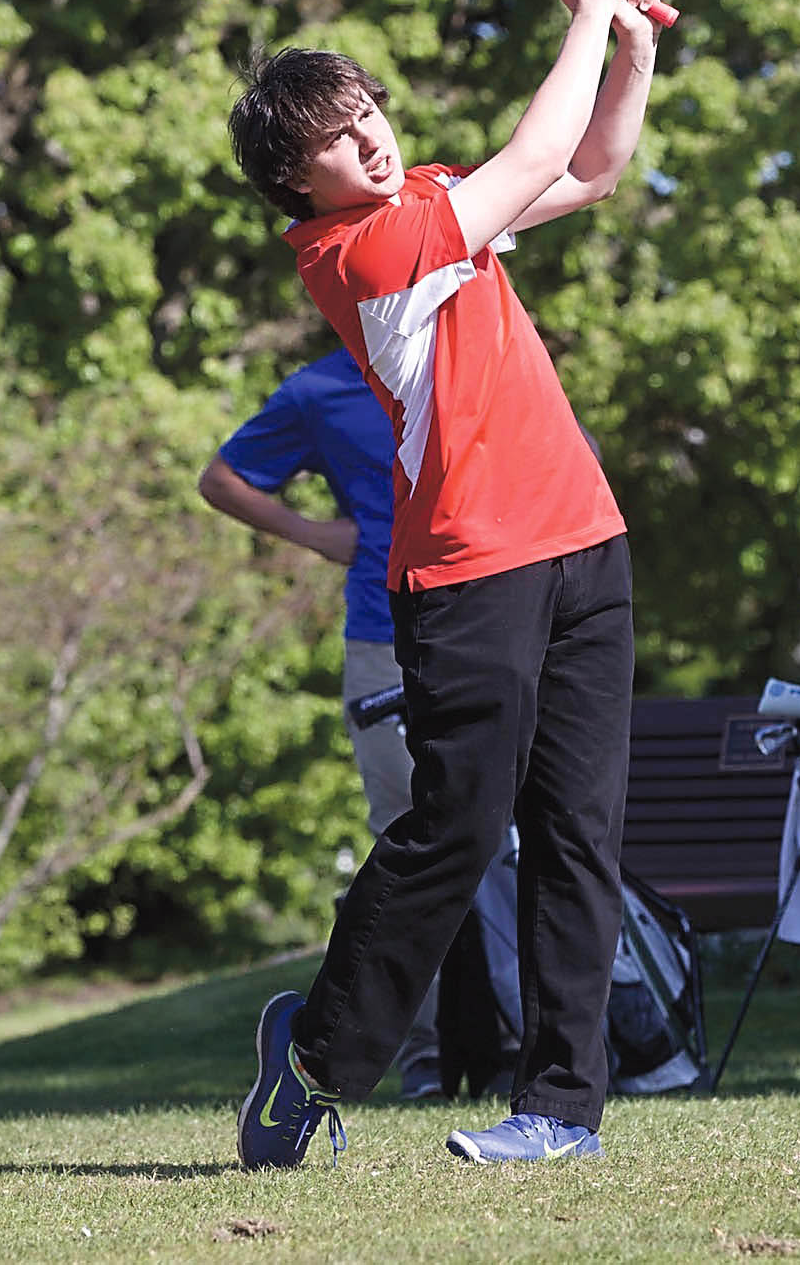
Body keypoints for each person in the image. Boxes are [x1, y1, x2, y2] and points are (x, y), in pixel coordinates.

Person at [223, 0, 661, 1168]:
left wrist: (629, 50)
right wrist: (580, 11)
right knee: (456, 829)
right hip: (468, 571)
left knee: (581, 833)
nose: (367, 138)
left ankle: (558, 1111)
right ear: (294, 183)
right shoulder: (354, 254)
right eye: (335, 136)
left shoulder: (427, 200)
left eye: (367, 111)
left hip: (585, 542)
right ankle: (313, 1057)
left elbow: (588, 168)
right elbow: (531, 153)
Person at [199, 346, 520, 1102]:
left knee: (503, 839)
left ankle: (518, 1044)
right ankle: (423, 1055)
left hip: (486, 624)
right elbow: (222, 478)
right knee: (409, 838)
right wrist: (316, 533)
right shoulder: (319, 390)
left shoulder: (473, 353)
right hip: (382, 638)